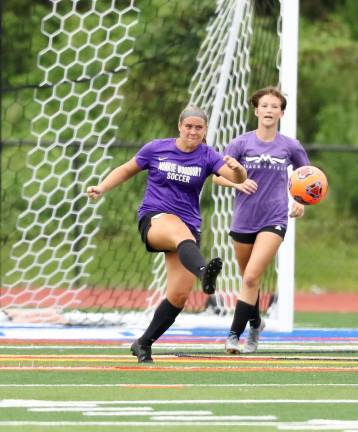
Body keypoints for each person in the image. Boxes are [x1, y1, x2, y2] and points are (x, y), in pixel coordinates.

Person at [86, 106, 247, 363]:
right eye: (189, 126)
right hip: (155, 219)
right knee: (176, 227)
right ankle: (204, 271)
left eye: (199, 127)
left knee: (179, 295)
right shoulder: (156, 148)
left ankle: (143, 343)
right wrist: (102, 187)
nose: (193, 131)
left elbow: (236, 177)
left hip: (187, 232)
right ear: (179, 126)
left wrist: (237, 169)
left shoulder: (207, 155)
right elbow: (127, 169)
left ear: (205, 131)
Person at [212, 86, 310, 354]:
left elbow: (308, 179)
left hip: (274, 219)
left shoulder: (290, 146)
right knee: (249, 281)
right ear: (256, 110)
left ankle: (234, 336)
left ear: (281, 112)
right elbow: (216, 175)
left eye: (274, 106)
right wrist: (237, 185)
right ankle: (256, 324)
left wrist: (300, 202)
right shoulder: (240, 143)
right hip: (243, 219)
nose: (269, 110)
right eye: (264, 106)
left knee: (252, 276)